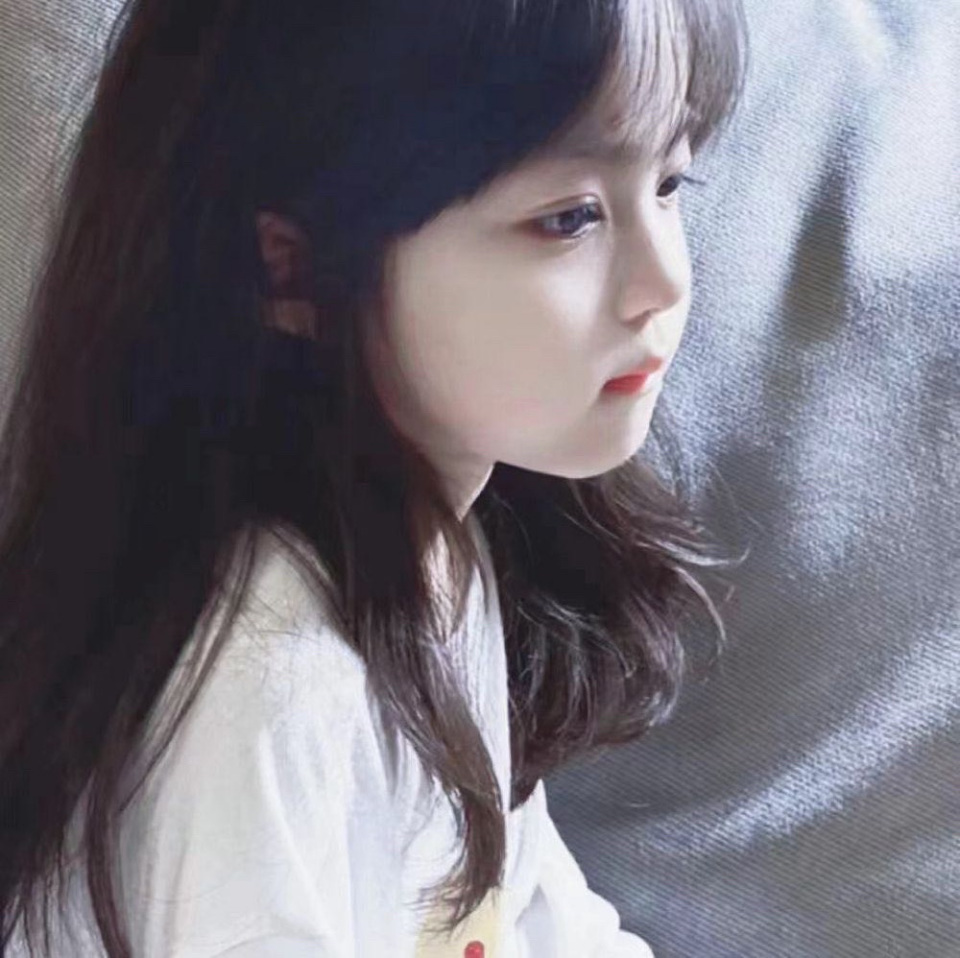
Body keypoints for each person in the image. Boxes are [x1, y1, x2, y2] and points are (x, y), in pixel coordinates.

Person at [0, 0, 749, 954]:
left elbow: (538, 916)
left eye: (670, 183)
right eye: (568, 218)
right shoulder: (269, 682)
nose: (663, 280)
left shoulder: (439, 554)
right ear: (292, 270)